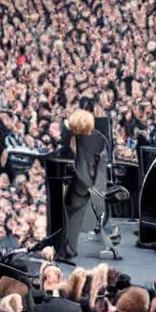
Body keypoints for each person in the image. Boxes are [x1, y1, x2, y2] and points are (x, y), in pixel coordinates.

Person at [60, 109, 108, 260]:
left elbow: (66, 128)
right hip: (92, 182)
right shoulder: (100, 138)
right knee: (76, 216)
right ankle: (70, 248)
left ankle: (67, 248)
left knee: (69, 214)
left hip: (80, 181)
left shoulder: (77, 139)